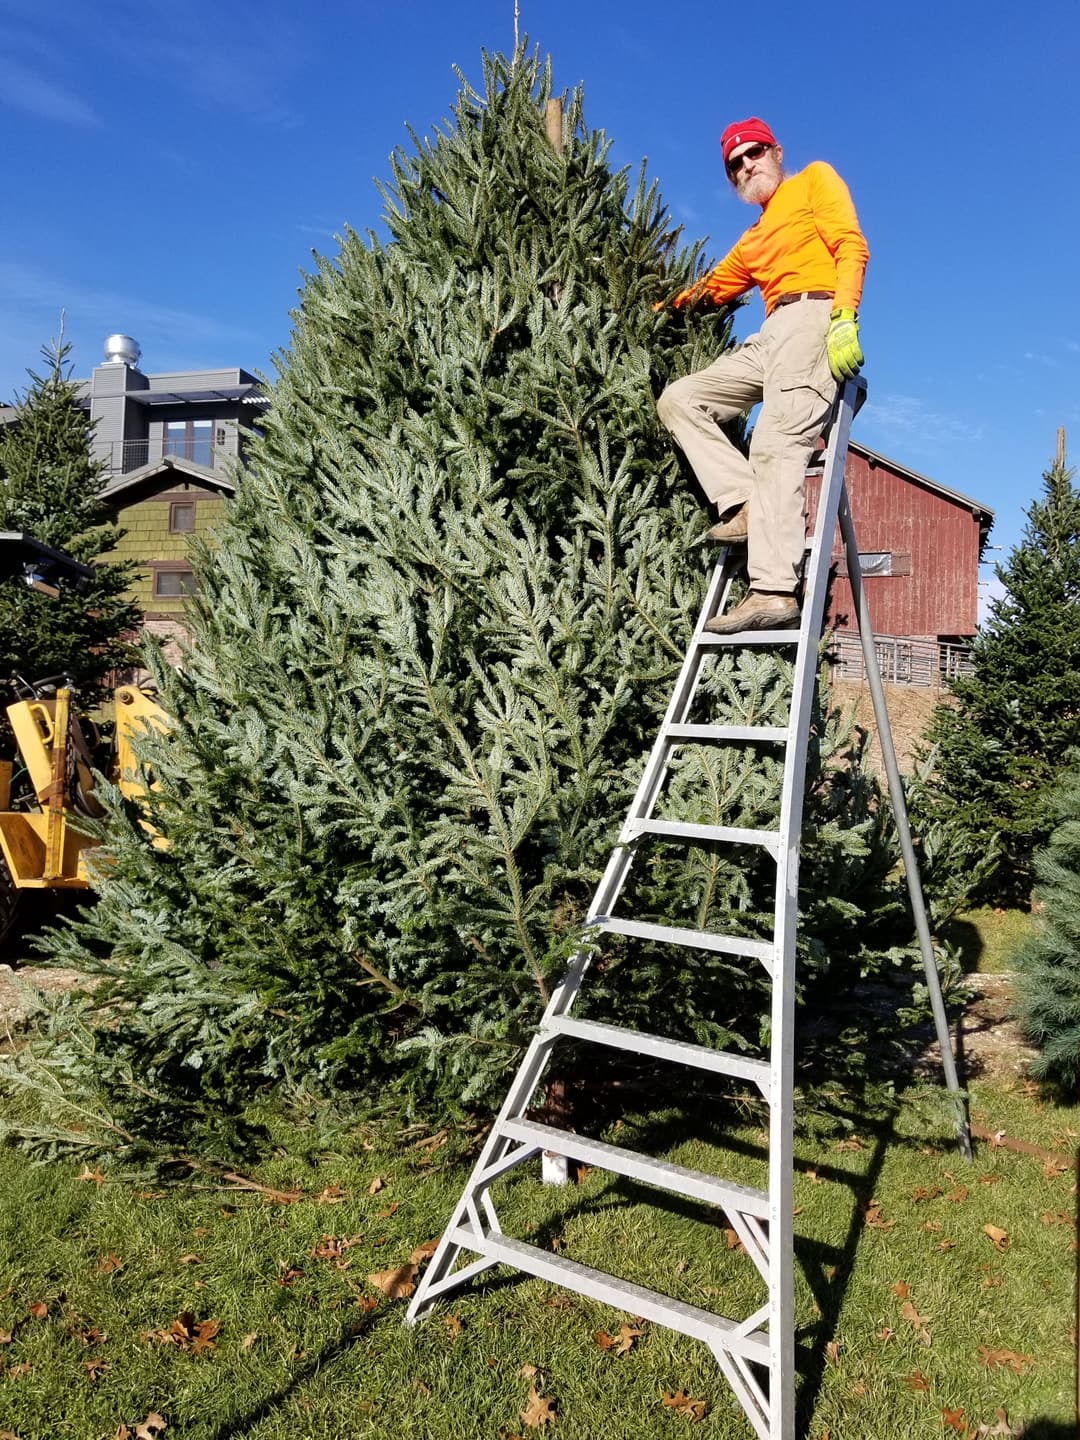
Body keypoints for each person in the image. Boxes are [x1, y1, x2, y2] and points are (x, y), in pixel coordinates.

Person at [656, 118, 868, 634]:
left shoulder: (814, 180)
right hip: (769, 334)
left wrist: (843, 316)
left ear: (775, 152)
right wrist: (657, 307)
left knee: (775, 441)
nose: (746, 165)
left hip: (813, 317)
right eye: (735, 164)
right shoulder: (753, 239)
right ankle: (747, 501)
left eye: (753, 154)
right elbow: (709, 290)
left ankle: (773, 590)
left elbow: (850, 245)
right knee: (680, 399)